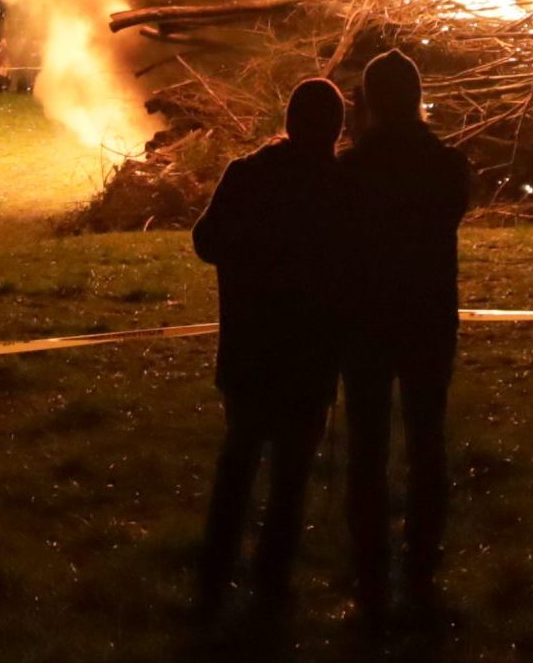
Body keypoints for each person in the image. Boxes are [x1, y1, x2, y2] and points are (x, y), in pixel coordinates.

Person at [193, 76, 346, 616]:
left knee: (238, 465)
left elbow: (205, 241)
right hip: (308, 358)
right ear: (334, 131)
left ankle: (213, 581)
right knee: (289, 478)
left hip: (250, 352)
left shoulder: (248, 174)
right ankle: (270, 585)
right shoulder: (339, 186)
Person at [338, 48, 471, 629]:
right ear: (418, 99)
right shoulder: (448, 166)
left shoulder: (350, 170)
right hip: (427, 319)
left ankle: (371, 579)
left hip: (366, 322)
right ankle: (421, 568)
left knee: (367, 450)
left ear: (368, 101)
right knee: (426, 442)